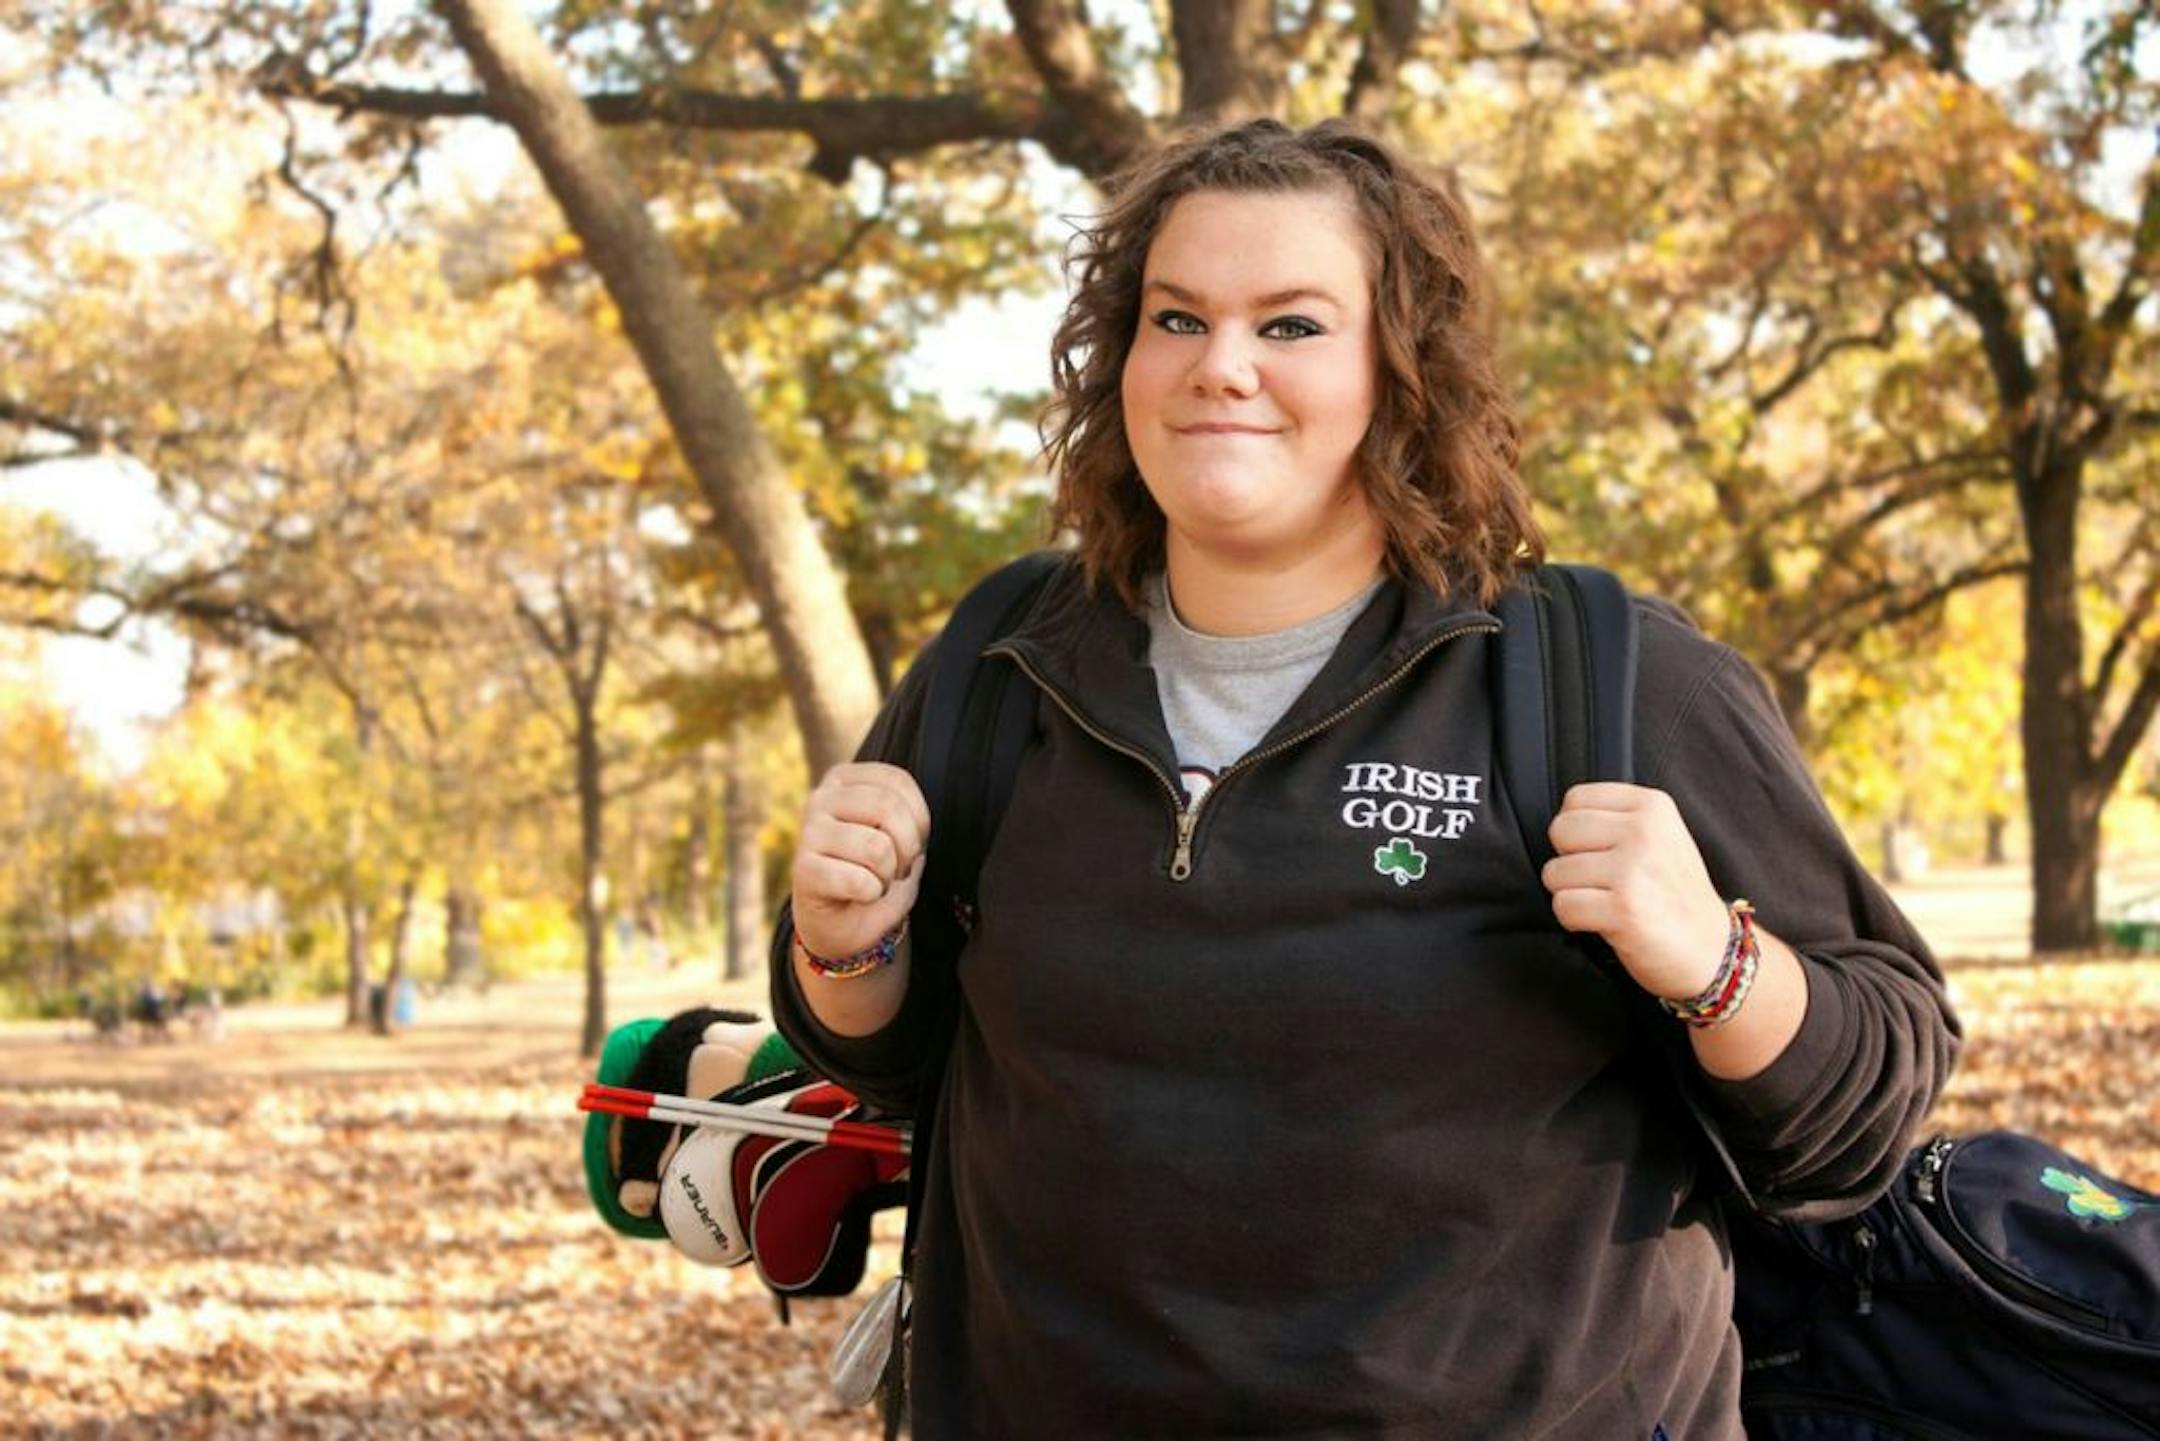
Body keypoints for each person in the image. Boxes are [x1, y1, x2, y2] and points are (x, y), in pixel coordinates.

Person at [771, 118, 1959, 1440]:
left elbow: (1863, 1109)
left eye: (1292, 325)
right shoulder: (1004, 661)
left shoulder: (1606, 678)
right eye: (1177, 318)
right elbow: (895, 1056)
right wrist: (843, 945)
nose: (1221, 366)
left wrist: (1714, 965)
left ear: (1401, 373)